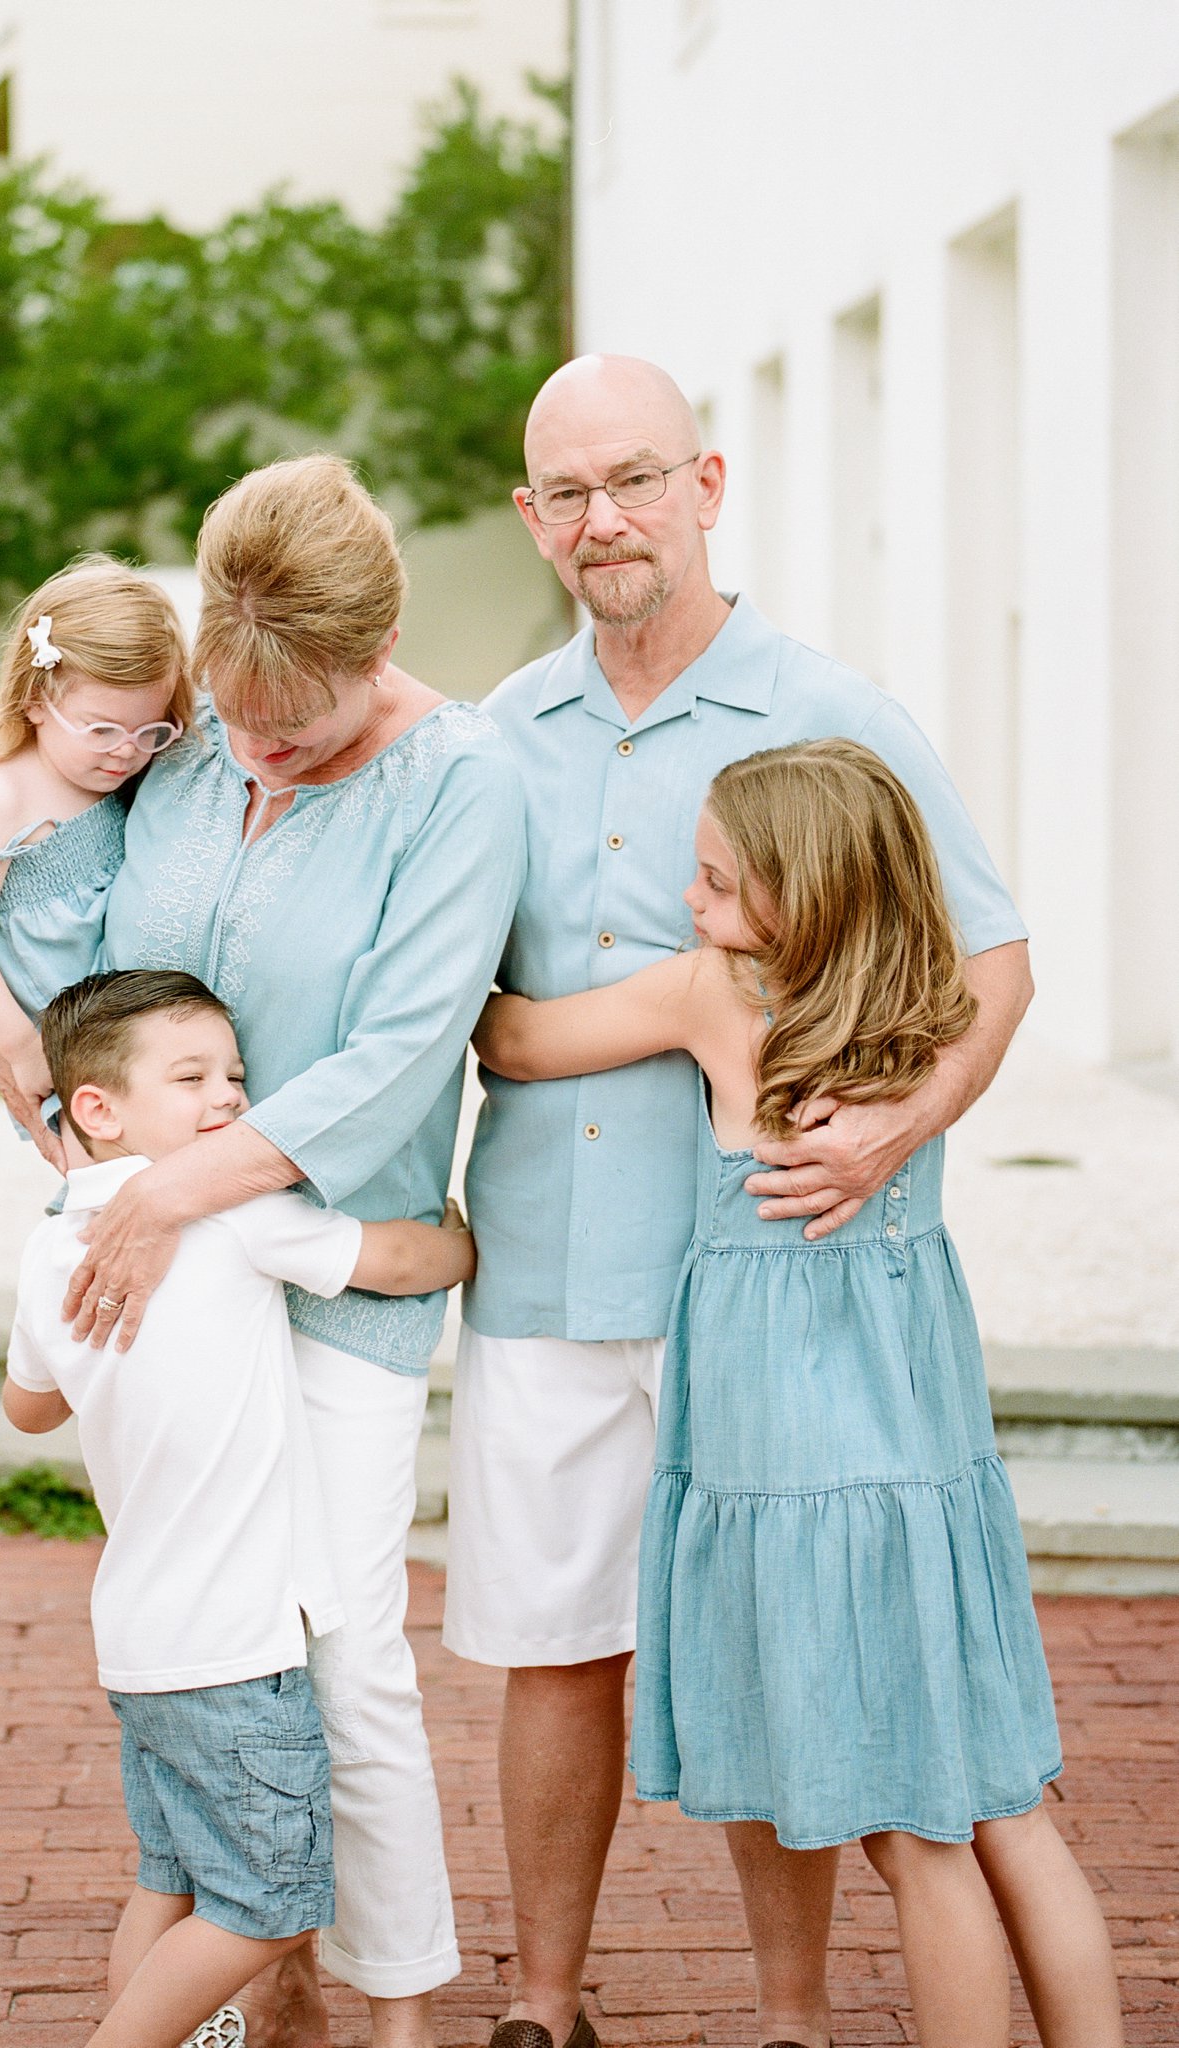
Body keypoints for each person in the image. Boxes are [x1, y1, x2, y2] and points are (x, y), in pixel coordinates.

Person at [448, 355, 1034, 2048]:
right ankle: (544, 2004)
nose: (601, 517)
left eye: (633, 477)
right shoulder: (500, 735)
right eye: (566, 490)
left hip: (775, 1273)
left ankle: (788, 2014)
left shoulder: (831, 711)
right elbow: (466, 993)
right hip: (555, 1268)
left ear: (707, 485)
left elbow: (991, 964)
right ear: (530, 515)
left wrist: (889, 1137)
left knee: (781, 1648)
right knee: (553, 1649)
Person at [473, 740, 1124, 2048]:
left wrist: (445, 939)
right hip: (925, 1457)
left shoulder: (725, 995)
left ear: (800, 895)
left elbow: (527, 1041)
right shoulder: (931, 1002)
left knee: (917, 1833)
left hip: (807, 1466)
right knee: (1005, 1804)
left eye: (715, 883)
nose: (691, 904)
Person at [0, 456, 526, 2048]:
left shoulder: (460, 779)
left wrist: (184, 1190)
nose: (254, 743)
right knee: (213, 1652)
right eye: (229, 708)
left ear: (374, 652)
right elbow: (71, 946)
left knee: (345, 1653)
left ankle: (398, 2011)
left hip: (328, 1272)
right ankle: (257, 1983)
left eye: (290, 717)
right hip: (164, 1293)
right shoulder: (194, 734)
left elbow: (404, 1048)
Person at [2, 969, 477, 2048]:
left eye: (236, 1073)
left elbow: (27, 1405)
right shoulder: (237, 1216)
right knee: (268, 1901)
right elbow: (387, 1260)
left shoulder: (47, 1248)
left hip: (136, 1636)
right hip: (233, 1643)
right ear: (98, 1107)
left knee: (170, 1879)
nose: (229, 1096)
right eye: (193, 1077)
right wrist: (460, 1241)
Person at [0, 555, 190, 1130]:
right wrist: (20, 1047)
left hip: (132, 1032)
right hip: (56, 1047)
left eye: (150, 730)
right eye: (102, 729)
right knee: (97, 1183)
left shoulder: (127, 781)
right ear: (35, 700)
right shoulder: (3, 797)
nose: (126, 750)